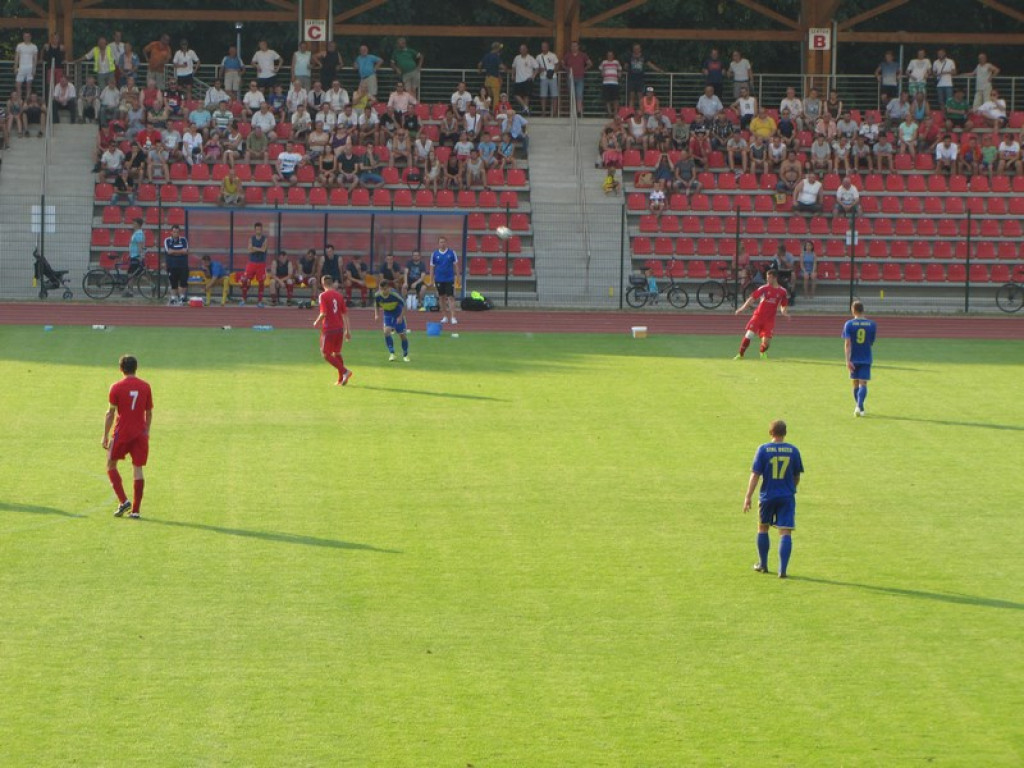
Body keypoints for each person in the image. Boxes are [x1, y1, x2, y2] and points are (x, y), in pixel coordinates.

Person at [743, 420, 804, 578]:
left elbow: (755, 475)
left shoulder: (763, 450)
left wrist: (748, 496)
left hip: (767, 496)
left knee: (763, 528)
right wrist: (792, 489)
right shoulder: (793, 451)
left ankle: (763, 564)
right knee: (785, 532)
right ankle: (782, 570)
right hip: (786, 496)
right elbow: (796, 476)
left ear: (770, 433)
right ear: (785, 433)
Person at [103, 355, 153, 519]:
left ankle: (124, 501)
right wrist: (146, 431)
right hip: (140, 433)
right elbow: (149, 411)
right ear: (136, 368)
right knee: (138, 469)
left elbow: (111, 413)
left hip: (122, 432)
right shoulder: (145, 386)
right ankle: (136, 510)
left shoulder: (116, 387)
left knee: (111, 464)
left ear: (121, 369)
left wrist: (104, 436)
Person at [733, 268, 790, 359]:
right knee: (749, 334)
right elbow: (752, 298)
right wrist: (742, 308)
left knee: (766, 343)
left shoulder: (782, 291)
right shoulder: (764, 288)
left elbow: (783, 304)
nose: (767, 280)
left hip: (769, 319)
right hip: (758, 316)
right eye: (767, 278)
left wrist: (784, 312)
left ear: (774, 278)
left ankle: (762, 352)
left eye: (769, 278)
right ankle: (740, 354)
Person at [313, 276, 353, 386]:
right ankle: (341, 379)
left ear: (322, 284)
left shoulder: (323, 295)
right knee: (337, 353)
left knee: (326, 354)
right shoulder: (339, 296)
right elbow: (345, 314)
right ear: (332, 283)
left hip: (329, 329)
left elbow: (323, 313)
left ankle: (345, 371)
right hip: (340, 328)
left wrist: (316, 322)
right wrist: (348, 331)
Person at [843, 300, 877, 417]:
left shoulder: (848, 324)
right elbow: (871, 342)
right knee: (863, 383)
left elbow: (847, 344)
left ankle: (858, 407)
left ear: (853, 310)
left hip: (853, 358)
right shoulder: (872, 324)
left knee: (855, 383)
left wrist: (847, 360)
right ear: (863, 310)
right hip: (866, 357)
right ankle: (859, 406)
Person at [374, 280, 410, 362]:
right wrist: (376, 314)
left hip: (398, 313)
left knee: (402, 335)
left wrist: (401, 317)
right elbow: (376, 305)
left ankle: (405, 354)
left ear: (389, 288)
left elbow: (405, 305)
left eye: (385, 289)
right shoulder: (377, 295)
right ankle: (392, 353)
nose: (383, 291)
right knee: (386, 332)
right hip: (387, 313)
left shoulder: (394, 295)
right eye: (381, 289)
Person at [430, 236, 459, 325]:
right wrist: (431, 280)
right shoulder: (434, 254)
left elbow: (456, 265)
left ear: (446, 243)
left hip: (449, 279)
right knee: (441, 298)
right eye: (441, 242)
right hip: (439, 279)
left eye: (444, 242)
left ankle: (453, 317)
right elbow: (432, 267)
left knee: (451, 297)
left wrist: (458, 277)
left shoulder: (452, 253)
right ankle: (444, 316)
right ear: (438, 243)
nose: (442, 244)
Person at [240, 222, 269, 306]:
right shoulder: (251, 238)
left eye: (260, 229)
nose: (258, 230)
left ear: (262, 229)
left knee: (261, 282)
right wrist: (258, 248)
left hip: (261, 263)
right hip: (252, 263)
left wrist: (254, 248)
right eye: (257, 229)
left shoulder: (265, 239)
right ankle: (243, 299)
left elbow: (263, 249)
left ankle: (259, 301)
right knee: (244, 280)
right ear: (255, 230)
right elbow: (249, 250)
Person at [163, 224, 190, 306]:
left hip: (183, 265)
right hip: (172, 265)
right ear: (171, 232)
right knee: (173, 283)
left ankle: (182, 298)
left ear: (179, 232)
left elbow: (185, 251)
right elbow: (169, 251)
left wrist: (174, 252)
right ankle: (173, 298)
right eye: (174, 232)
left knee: (183, 282)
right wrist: (180, 251)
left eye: (177, 232)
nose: (176, 233)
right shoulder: (167, 240)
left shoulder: (184, 240)